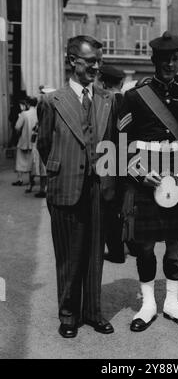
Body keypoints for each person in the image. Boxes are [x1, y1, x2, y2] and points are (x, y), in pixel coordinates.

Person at [37, 35, 118, 338]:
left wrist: (109, 185)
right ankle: (68, 315)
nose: (97, 67)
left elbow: (110, 145)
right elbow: (45, 145)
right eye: (90, 61)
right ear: (72, 61)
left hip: (97, 189)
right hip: (65, 187)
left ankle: (93, 312)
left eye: (99, 61)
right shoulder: (51, 101)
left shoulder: (107, 100)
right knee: (69, 257)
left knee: (95, 254)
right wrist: (64, 168)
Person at [119, 31, 178, 332]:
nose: (171, 64)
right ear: (154, 61)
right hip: (146, 182)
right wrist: (140, 174)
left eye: (175, 58)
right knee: (145, 247)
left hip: (177, 182)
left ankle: (173, 303)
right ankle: (148, 304)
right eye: (165, 59)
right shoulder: (135, 97)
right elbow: (121, 144)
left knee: (176, 247)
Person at [98, 65, 127, 263]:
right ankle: (125, 247)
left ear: (103, 82)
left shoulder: (106, 102)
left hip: (109, 161)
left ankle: (116, 251)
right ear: (121, 83)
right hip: (123, 160)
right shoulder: (125, 100)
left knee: (109, 209)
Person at [12, 96, 37, 186]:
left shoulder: (24, 114)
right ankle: (31, 180)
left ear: (28, 104)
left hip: (24, 140)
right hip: (34, 141)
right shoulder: (38, 113)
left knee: (20, 160)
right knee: (32, 161)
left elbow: (17, 126)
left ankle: (20, 179)